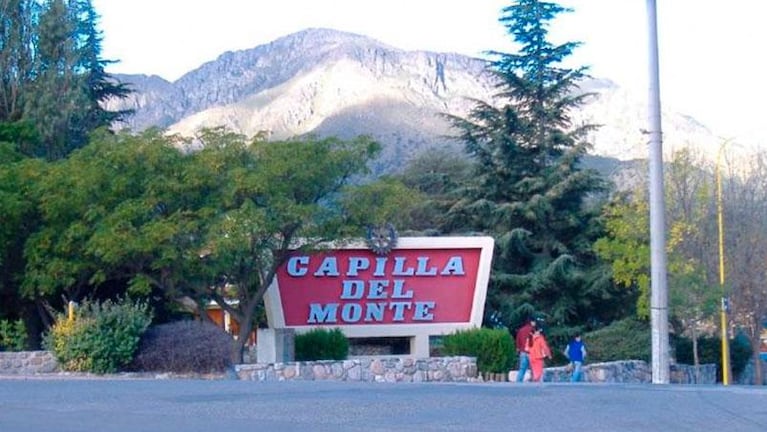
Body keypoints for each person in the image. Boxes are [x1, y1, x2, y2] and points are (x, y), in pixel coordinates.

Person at [514, 318, 536, 382]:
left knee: (522, 369)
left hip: (523, 352)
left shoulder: (521, 330)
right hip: (531, 352)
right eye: (534, 322)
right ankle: (534, 383)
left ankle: (518, 382)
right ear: (531, 322)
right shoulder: (532, 330)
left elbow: (518, 341)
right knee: (533, 369)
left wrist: (518, 348)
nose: (535, 324)